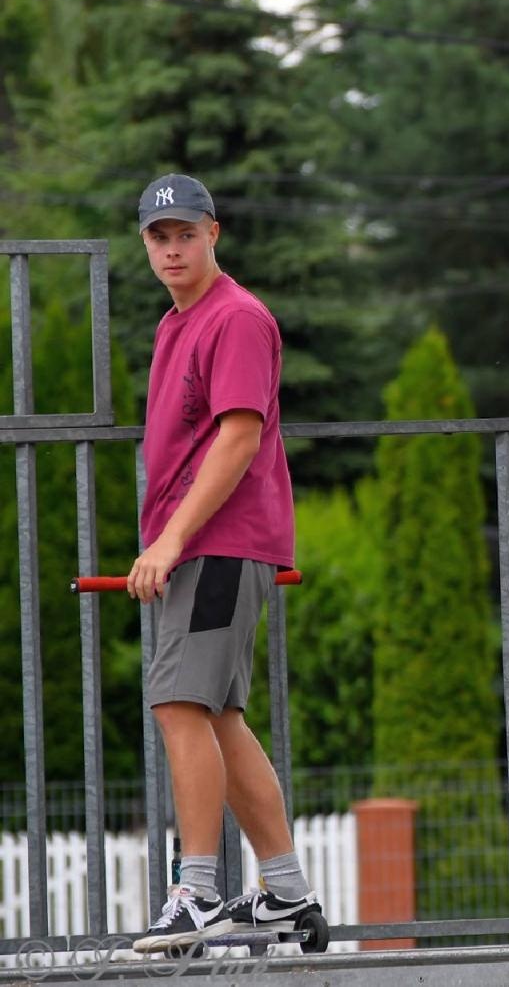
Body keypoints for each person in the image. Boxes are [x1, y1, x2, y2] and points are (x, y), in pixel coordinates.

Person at [128, 173, 321, 950]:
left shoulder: (236, 318)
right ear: (145, 243)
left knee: (178, 705)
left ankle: (198, 892)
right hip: (210, 545)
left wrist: (172, 540)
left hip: (216, 541)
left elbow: (239, 439)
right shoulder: (179, 322)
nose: (172, 248)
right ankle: (286, 893)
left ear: (215, 233)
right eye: (158, 236)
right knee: (218, 717)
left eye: (186, 233)